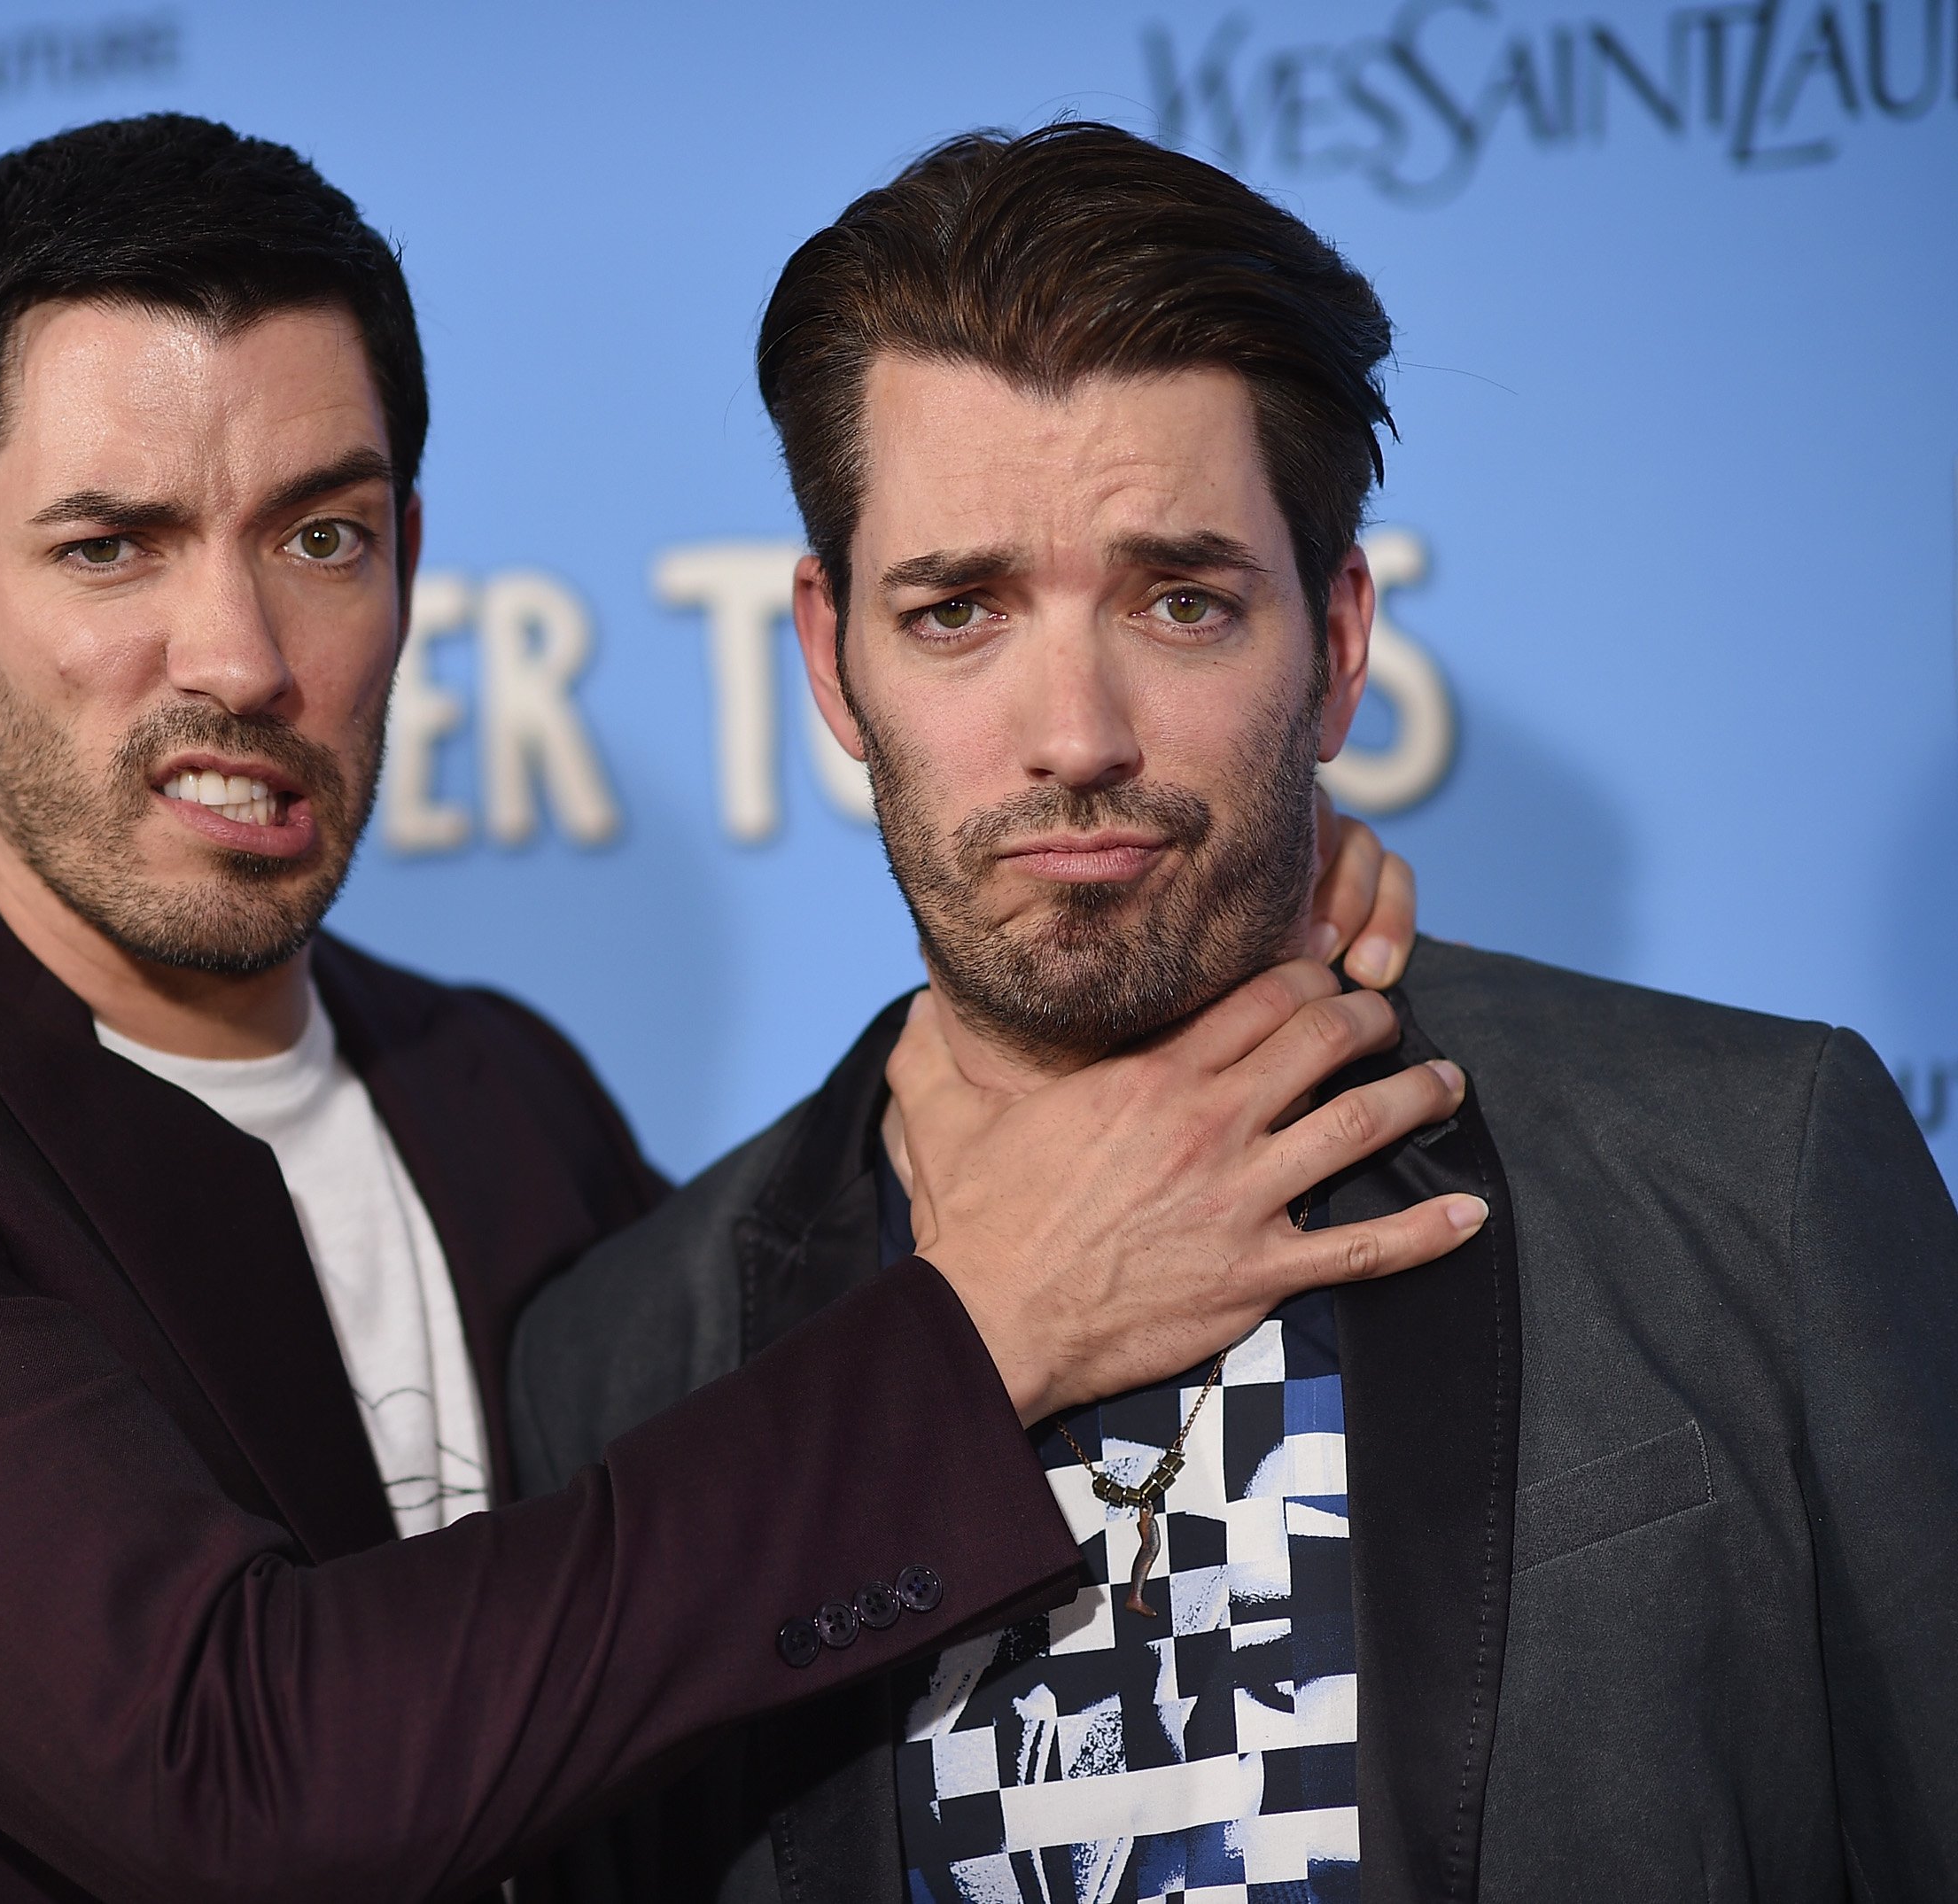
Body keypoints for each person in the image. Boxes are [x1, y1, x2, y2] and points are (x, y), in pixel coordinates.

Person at [0, 114, 1445, 1902]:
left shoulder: (499, 1091)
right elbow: (239, 1777)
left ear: (411, 567)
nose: (242, 656)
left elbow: (687, 1585)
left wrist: (1204, 896)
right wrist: (982, 1330)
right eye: (113, 547)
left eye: (319, 535)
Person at [511, 121, 1958, 1904]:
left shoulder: (1754, 1180)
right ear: (829, 660)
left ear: (1339, 642)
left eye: (1182, 600)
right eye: (958, 611)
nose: (1076, 732)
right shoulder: (629, 1361)